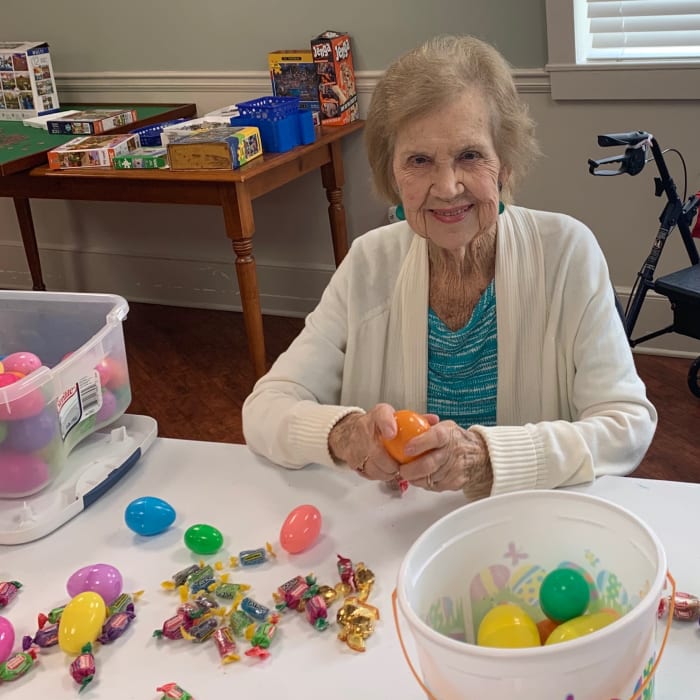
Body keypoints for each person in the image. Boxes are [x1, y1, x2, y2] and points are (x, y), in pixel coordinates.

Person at [242, 35, 657, 501]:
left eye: (470, 155)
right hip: (392, 538)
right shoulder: (369, 262)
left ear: (506, 167)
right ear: (392, 176)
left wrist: (487, 457)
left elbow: (626, 425)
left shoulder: (567, 253)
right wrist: (345, 433)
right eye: (419, 161)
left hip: (528, 525)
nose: (446, 186)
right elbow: (264, 408)